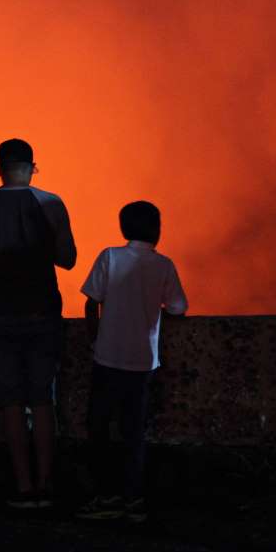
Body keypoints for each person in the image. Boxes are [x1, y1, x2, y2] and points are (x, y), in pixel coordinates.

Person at [0, 139, 76, 509]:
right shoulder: (51, 203)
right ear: (32, 166)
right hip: (42, 312)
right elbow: (68, 258)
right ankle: (46, 483)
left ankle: (23, 486)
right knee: (43, 400)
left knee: (10, 401)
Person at [76, 201, 187, 522]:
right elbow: (179, 307)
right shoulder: (164, 265)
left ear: (123, 227)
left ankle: (103, 495)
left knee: (98, 428)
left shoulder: (110, 257)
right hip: (143, 362)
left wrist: (94, 338)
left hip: (107, 357)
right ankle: (132, 498)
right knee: (133, 432)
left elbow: (91, 302)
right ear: (157, 231)